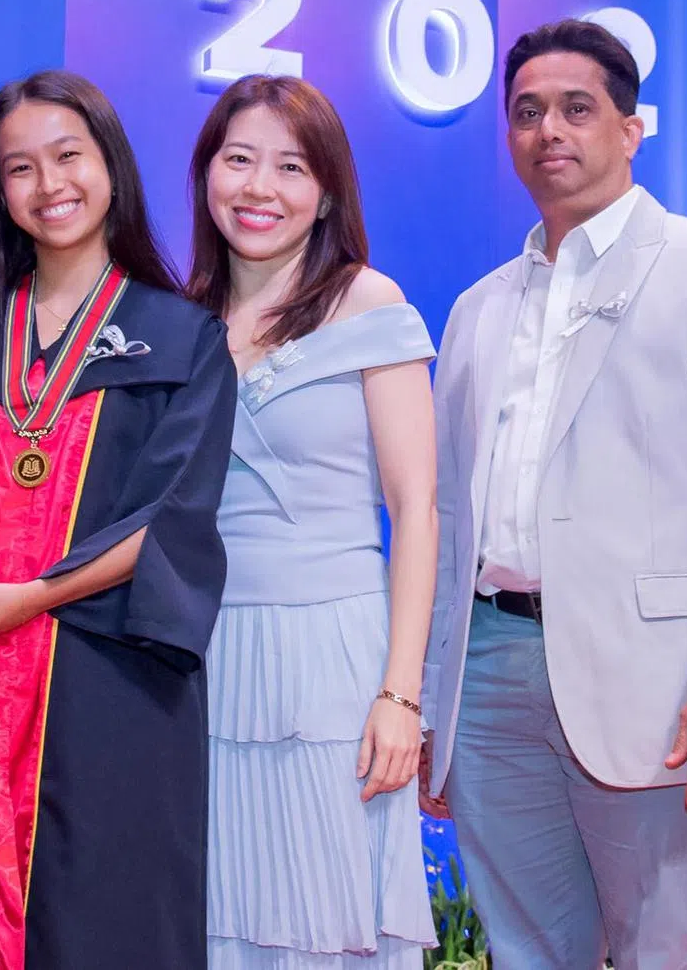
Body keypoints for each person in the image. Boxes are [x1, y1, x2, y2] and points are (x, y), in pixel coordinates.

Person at [0, 69, 236, 969]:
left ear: (110, 165)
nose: (50, 184)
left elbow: (174, 518)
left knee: (105, 918)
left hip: (111, 685)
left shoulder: (183, 339)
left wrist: (25, 598)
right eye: (19, 167)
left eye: (69, 155)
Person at [424, 18, 687, 969]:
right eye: (527, 112)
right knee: (527, 951)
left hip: (656, 679)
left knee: (671, 947)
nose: (550, 129)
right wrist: (435, 700)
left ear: (632, 129)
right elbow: (447, 520)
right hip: (492, 676)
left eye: (577, 108)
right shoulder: (477, 307)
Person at [187, 74, 437, 968]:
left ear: (327, 188)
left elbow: (417, 511)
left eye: (291, 167)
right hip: (208, 654)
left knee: (330, 917)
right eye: (239, 159)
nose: (260, 188)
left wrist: (401, 694)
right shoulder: (177, 320)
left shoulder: (370, 303)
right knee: (220, 913)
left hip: (335, 655)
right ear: (206, 173)